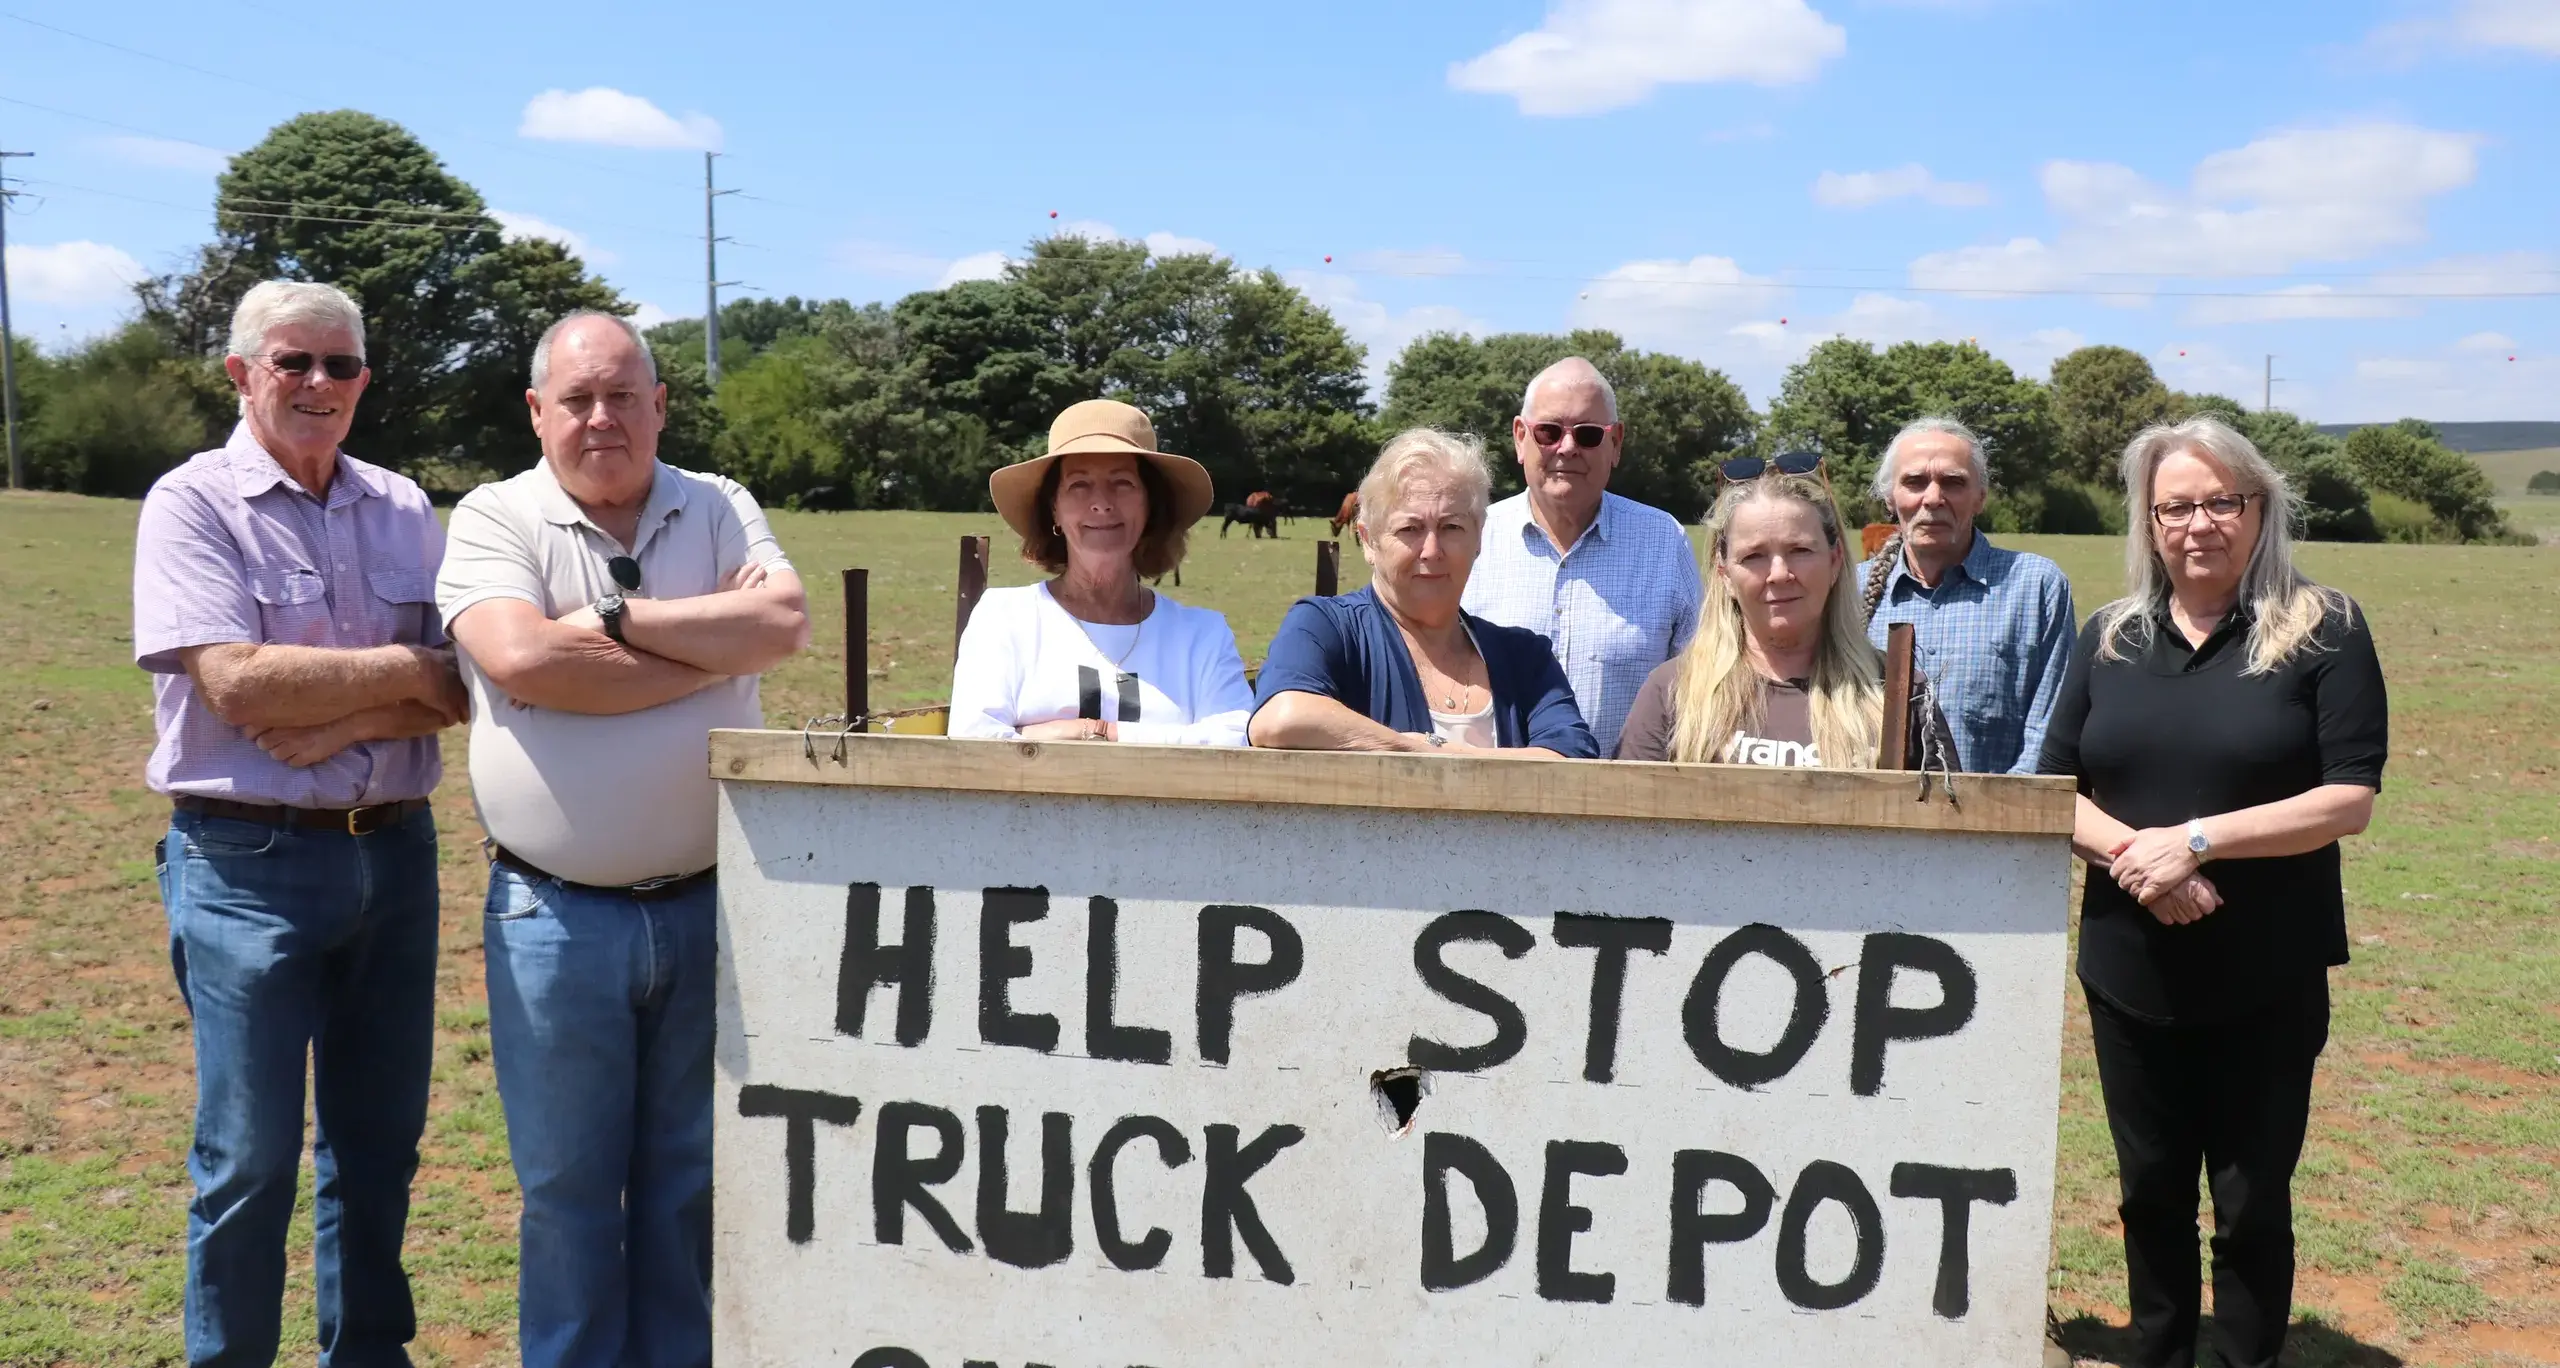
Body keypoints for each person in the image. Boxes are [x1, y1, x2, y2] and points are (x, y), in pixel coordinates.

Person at [436, 311, 808, 1368]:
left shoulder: (719, 503)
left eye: (622, 396)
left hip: (708, 900)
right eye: (577, 400)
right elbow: (520, 662)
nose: (602, 419)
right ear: (538, 413)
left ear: (659, 405)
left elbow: (781, 626)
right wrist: (706, 650)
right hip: (554, 914)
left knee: (690, 1181)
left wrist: (604, 625)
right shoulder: (494, 515)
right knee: (566, 1191)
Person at [133, 279, 466, 1367]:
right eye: (294, 362)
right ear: (241, 373)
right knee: (249, 1157)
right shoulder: (190, 503)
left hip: (395, 851)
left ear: (366, 379)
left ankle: (368, 1354)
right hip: (245, 863)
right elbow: (236, 683)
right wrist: (406, 676)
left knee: (380, 1148)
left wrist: (346, 715)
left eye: (341, 366)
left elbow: (471, 683)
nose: (319, 384)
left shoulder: (406, 504)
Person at [2039, 416, 2386, 1368]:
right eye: (2176, 506)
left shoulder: (2327, 629)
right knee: (2149, 1189)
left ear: (2259, 510)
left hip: (2264, 973)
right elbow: (2052, 791)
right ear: (2149, 524)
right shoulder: (2109, 636)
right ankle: (2156, 1352)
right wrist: (2140, 868)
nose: (2200, 524)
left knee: (2248, 1197)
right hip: (2128, 966)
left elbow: (2347, 800)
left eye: (2221, 502)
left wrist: (2195, 843)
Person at [1250, 428, 1596, 756]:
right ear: (1369, 540)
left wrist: (1444, 753)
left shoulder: (1525, 657)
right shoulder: (1327, 627)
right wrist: (1417, 751)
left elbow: (1572, 758)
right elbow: (1280, 718)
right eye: (1410, 528)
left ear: (1478, 539)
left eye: (1451, 527)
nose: (1432, 550)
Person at [949, 399, 1251, 744]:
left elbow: (1233, 742)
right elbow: (973, 740)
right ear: (1054, 510)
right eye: (1079, 485)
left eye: (1122, 483)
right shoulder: (1004, 618)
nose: (1102, 503)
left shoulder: (1203, 635)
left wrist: (1094, 732)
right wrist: (1175, 738)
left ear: (1150, 505)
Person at [1462, 357, 1702, 756]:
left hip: (1628, 805)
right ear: (1520, 437)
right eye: (1549, 432)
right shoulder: (1472, 535)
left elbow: (1702, 680)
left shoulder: (1663, 540)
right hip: (1492, 804)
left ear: (1616, 443)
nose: (1567, 447)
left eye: (1589, 434)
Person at [1616, 470, 1881, 767]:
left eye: (1800, 550)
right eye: (1753, 556)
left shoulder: (1893, 691)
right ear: (1724, 572)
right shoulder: (1671, 691)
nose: (1779, 574)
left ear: (1835, 560)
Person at [1857, 416, 2076, 774]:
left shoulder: (2033, 586)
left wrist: (1995, 821)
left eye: (1953, 483)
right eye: (1914, 482)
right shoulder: (1849, 592)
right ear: (1889, 497)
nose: (1933, 498)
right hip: (1872, 823)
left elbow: (2047, 732)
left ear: (1980, 498)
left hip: (1997, 822)